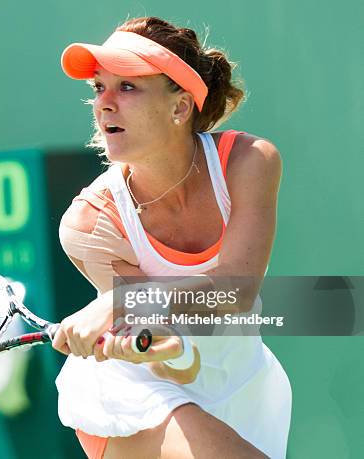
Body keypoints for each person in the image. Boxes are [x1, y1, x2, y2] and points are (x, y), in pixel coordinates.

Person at [51, 16, 292, 459]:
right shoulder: (90, 223)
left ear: (180, 107)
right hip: (138, 399)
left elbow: (234, 293)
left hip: (245, 386)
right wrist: (143, 337)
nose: (103, 103)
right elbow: (162, 348)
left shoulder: (249, 161)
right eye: (98, 87)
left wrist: (118, 303)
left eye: (127, 87)